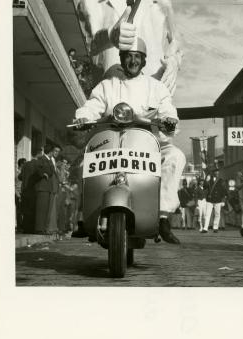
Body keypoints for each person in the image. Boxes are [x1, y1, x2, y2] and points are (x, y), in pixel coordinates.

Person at [73, 38, 185, 244]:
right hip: (111, 141)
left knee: (175, 157)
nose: (132, 61)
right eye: (128, 57)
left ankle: (162, 217)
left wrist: (169, 120)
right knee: (84, 163)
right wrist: (83, 117)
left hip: (147, 143)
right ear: (122, 59)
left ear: (143, 62)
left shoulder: (156, 87)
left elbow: (168, 109)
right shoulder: (107, 85)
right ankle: (85, 215)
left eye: (137, 57)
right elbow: (92, 105)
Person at [34, 144, 61, 234]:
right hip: (42, 187)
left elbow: (51, 170)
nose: (54, 153)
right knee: (41, 209)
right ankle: (39, 229)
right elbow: (37, 169)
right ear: (50, 151)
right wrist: (43, 174)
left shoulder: (49, 160)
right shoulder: (42, 159)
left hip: (47, 188)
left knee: (46, 209)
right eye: (53, 151)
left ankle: (44, 228)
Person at [20, 148, 43, 233]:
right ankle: (31, 229)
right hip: (33, 189)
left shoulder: (26, 164)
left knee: (26, 211)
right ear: (39, 154)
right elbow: (39, 176)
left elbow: (20, 176)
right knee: (33, 210)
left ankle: (25, 228)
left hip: (24, 190)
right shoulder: (38, 164)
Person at [202, 162, 227, 233]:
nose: (217, 172)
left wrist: (223, 200)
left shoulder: (221, 181)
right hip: (210, 199)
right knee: (207, 214)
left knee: (217, 214)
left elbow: (224, 191)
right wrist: (206, 181)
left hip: (218, 199)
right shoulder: (209, 179)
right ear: (213, 172)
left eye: (218, 171)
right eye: (215, 171)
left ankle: (215, 227)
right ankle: (205, 228)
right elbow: (204, 187)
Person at [15, 158, 25, 231]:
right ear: (21, 164)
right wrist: (17, 194)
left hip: (23, 193)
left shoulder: (23, 172)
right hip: (17, 193)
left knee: (23, 210)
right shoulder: (16, 172)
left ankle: (22, 225)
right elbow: (13, 184)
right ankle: (19, 226)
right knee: (19, 210)